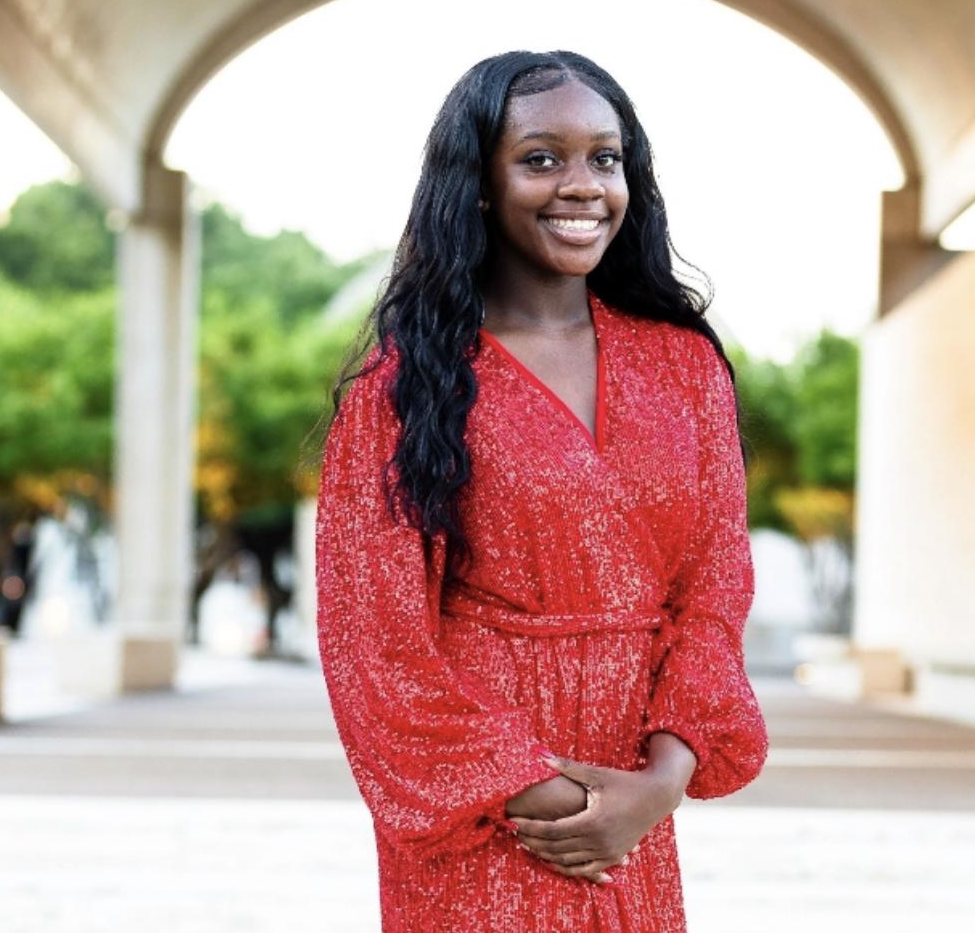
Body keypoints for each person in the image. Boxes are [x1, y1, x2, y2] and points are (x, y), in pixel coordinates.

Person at [315, 50, 768, 933]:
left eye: (605, 157)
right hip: (485, 803)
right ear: (477, 182)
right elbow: (376, 643)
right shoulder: (404, 386)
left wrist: (655, 786)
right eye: (540, 158)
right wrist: (553, 796)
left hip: (633, 785)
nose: (582, 185)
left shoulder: (683, 366)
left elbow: (716, 588)